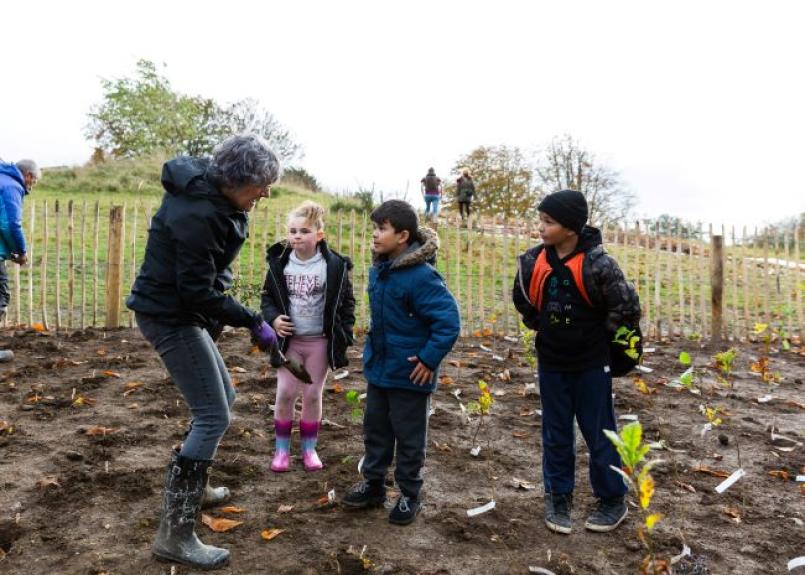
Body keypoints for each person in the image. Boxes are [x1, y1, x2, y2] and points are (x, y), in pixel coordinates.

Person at [126, 134, 280, 570]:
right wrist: (252, 319)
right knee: (214, 413)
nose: (266, 193)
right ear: (237, 179)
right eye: (262, 185)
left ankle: (197, 483)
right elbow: (196, 290)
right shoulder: (199, 212)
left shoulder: (216, 197)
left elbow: (206, 277)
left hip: (181, 311)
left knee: (223, 400)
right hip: (170, 315)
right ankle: (174, 534)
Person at [512, 189, 641, 535]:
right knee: (555, 432)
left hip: (591, 364)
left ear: (570, 227)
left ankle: (612, 498)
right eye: (540, 219)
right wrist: (544, 326)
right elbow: (523, 301)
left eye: (548, 221)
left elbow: (625, 306)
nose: (541, 227)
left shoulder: (600, 264)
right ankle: (558, 496)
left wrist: (603, 342)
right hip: (552, 362)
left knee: (600, 432)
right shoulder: (532, 262)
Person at [342, 199, 460, 525]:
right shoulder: (380, 270)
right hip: (381, 369)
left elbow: (448, 322)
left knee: (409, 437)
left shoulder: (421, 277)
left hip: (411, 373)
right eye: (374, 228)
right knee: (376, 430)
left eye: (382, 229)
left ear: (403, 235)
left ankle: (410, 495)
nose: (375, 235)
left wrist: (428, 358)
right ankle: (374, 485)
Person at [260, 200, 355, 473]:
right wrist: (274, 319)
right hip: (290, 342)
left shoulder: (334, 266)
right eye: (292, 231)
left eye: (303, 231)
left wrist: (344, 334)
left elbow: (347, 303)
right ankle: (281, 451)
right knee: (286, 392)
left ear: (319, 235)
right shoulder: (279, 264)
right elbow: (267, 298)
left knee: (312, 395)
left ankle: (309, 449)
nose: (296, 236)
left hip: (319, 342)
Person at [0, 159, 40, 321]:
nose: (34, 184)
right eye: (35, 180)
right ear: (28, 175)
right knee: (1, 297)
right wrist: (21, 252)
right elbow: (9, 224)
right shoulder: (11, 187)